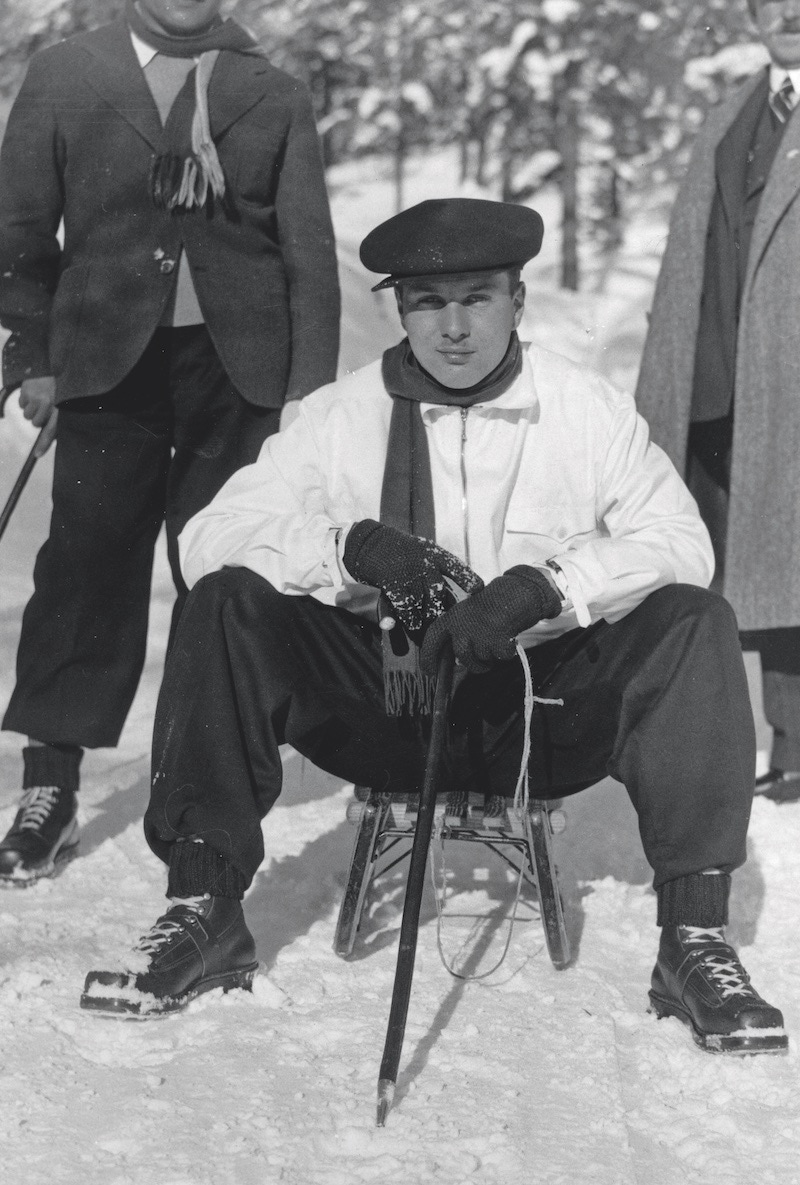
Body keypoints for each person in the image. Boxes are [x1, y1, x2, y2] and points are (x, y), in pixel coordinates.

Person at [81, 197, 786, 1056]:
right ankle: (203, 911)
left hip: (538, 715)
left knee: (691, 620)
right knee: (228, 599)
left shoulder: (584, 408)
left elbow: (681, 543)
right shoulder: (343, 413)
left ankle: (693, 941)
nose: (453, 327)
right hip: (384, 707)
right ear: (400, 309)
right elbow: (208, 540)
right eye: (426, 302)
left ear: (518, 301)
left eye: (477, 297)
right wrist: (354, 549)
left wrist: (548, 585)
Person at [0, 0, 340, 884]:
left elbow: (307, 248)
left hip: (240, 377)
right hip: (106, 366)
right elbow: (20, 232)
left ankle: (199, 793)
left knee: (223, 579)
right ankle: (50, 787)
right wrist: (33, 357)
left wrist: (308, 393)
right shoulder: (71, 74)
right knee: (85, 571)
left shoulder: (273, 91)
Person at [636, 0, 800, 803]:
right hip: (714, 376)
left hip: (789, 378)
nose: (790, 12)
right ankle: (719, 751)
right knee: (721, 566)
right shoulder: (729, 113)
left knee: (789, 559)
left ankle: (798, 750)